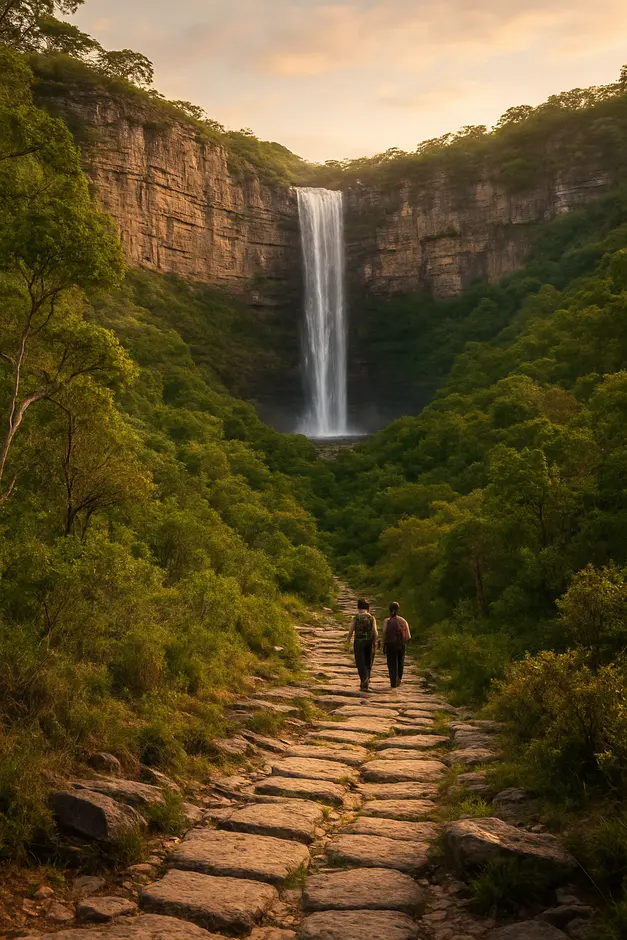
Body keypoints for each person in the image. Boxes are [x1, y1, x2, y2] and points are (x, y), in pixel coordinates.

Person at [347, 599, 378, 691]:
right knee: (368, 661)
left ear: (358, 607)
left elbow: (351, 630)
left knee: (360, 661)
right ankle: (367, 679)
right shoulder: (371, 618)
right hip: (369, 642)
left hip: (358, 642)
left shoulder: (356, 618)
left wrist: (348, 640)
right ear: (368, 608)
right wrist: (375, 642)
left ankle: (363, 679)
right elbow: (375, 632)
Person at [382, 601, 411, 688]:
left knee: (391, 662)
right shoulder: (403, 621)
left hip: (390, 645)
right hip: (400, 645)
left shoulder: (387, 621)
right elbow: (408, 637)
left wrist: (384, 644)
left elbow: (384, 633)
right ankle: (399, 678)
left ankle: (392, 680)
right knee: (400, 662)